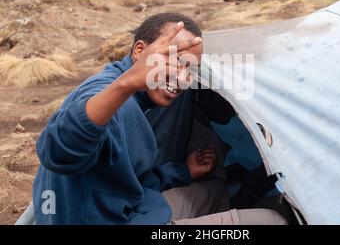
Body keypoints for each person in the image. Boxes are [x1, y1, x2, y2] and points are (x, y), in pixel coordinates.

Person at [32, 12, 287, 225]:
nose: (183, 77)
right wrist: (126, 84)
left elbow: (127, 180)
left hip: (134, 209)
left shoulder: (138, 101)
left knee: (215, 190)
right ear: (140, 51)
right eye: (174, 61)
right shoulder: (109, 93)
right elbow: (58, 152)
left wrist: (183, 171)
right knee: (273, 220)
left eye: (190, 69)